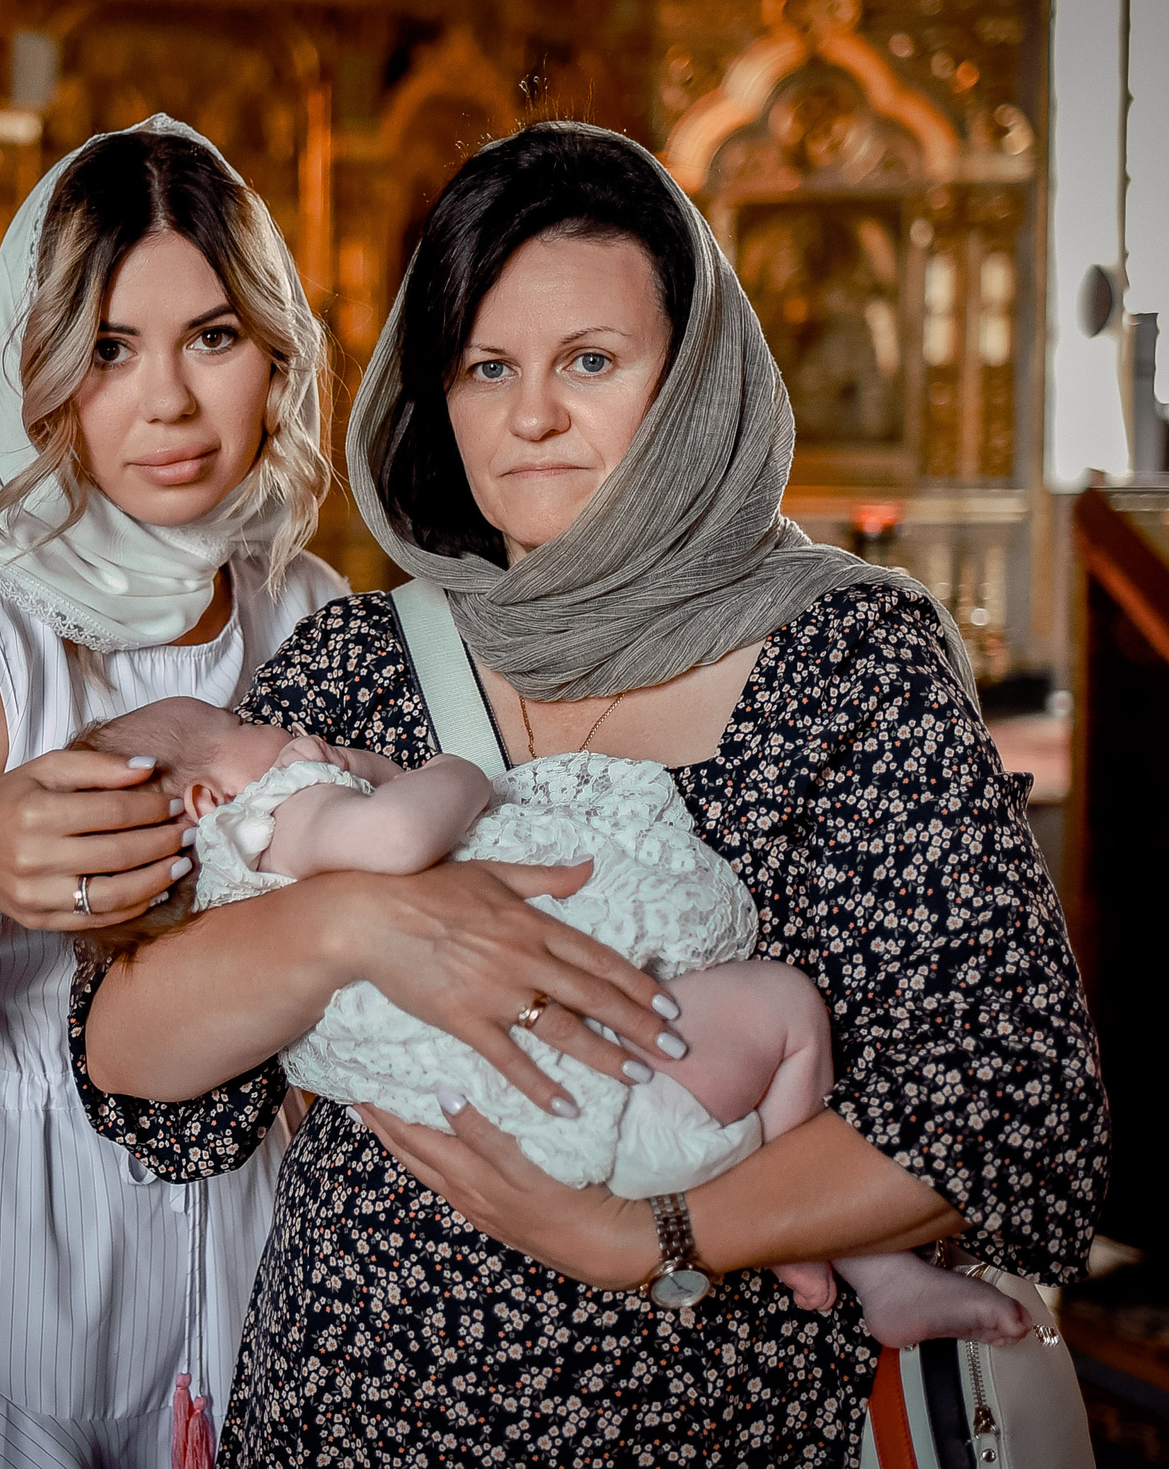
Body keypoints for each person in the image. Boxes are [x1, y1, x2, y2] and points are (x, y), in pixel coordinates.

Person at [72, 121, 1109, 1464]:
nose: (532, 415)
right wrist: (343, 928)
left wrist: (644, 1236)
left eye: (592, 362)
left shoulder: (846, 660)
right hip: (349, 1414)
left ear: (691, 380)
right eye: (486, 366)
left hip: (711, 1422)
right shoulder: (364, 662)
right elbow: (142, 1076)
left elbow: (1004, 1102)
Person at [0, 117, 381, 1468]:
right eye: (107, 347)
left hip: (241, 1259)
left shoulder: (309, 612)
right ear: (36, 368)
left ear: (275, 346)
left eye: (211, 336)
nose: (166, 401)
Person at [72, 694, 1032, 1350]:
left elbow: (1014, 1099)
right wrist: (449, 774)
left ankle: (825, 1246)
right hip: (609, 1093)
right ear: (203, 801)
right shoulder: (278, 807)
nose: (275, 724)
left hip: (537, 1144)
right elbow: (120, 1057)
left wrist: (636, 1239)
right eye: (242, 721)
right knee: (783, 1006)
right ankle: (863, 1264)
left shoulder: (216, 897)